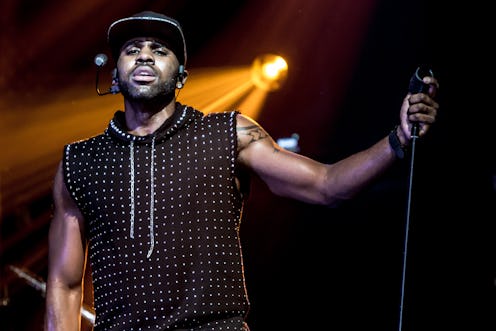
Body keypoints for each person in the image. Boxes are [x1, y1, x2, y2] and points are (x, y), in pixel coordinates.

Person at [44, 10, 439, 331]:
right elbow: (64, 284)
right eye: (132, 49)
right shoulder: (80, 162)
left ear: (182, 76)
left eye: (160, 49)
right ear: (114, 74)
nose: (145, 55)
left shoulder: (226, 134)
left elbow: (326, 185)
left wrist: (397, 140)